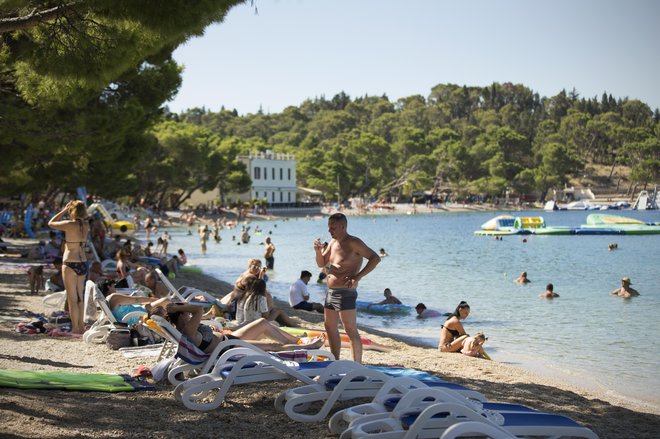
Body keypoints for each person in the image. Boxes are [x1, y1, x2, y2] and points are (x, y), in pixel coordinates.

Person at [314, 212, 381, 363]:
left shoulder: (353, 242)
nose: (330, 231)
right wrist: (317, 251)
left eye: (333, 227)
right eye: (329, 227)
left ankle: (357, 365)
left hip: (346, 292)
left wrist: (358, 276)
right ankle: (335, 361)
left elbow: (375, 258)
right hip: (331, 291)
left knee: (350, 329)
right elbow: (321, 263)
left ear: (343, 227)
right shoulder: (332, 242)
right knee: (329, 327)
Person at [149, 303, 325, 353]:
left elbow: (199, 313)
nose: (189, 315)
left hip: (229, 340)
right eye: (185, 313)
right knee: (273, 347)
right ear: (181, 315)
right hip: (230, 348)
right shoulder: (188, 331)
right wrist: (179, 307)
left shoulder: (187, 327)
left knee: (263, 323)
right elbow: (198, 309)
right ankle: (308, 347)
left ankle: (297, 340)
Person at [48, 200, 90, 334]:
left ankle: (76, 328)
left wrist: (64, 210)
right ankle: (82, 327)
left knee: (72, 299)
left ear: (72, 211)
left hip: (70, 262)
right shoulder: (86, 225)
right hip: (82, 262)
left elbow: (51, 223)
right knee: (80, 297)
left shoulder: (68, 224)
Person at [97, 278, 168, 325]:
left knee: (139, 294)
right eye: (113, 286)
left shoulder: (108, 300)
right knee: (165, 300)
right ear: (108, 287)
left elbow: (126, 303)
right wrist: (150, 299)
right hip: (138, 314)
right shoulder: (113, 297)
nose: (115, 288)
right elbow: (136, 300)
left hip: (135, 311)